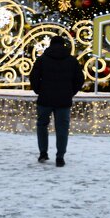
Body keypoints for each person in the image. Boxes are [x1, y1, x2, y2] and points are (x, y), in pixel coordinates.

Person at [29, 34, 85, 167]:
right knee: (62, 128)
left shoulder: (42, 59)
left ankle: (43, 152)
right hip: (63, 100)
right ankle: (60, 156)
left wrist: (39, 90)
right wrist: (71, 92)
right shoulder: (71, 60)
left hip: (45, 99)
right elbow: (80, 79)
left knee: (42, 125)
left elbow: (33, 77)